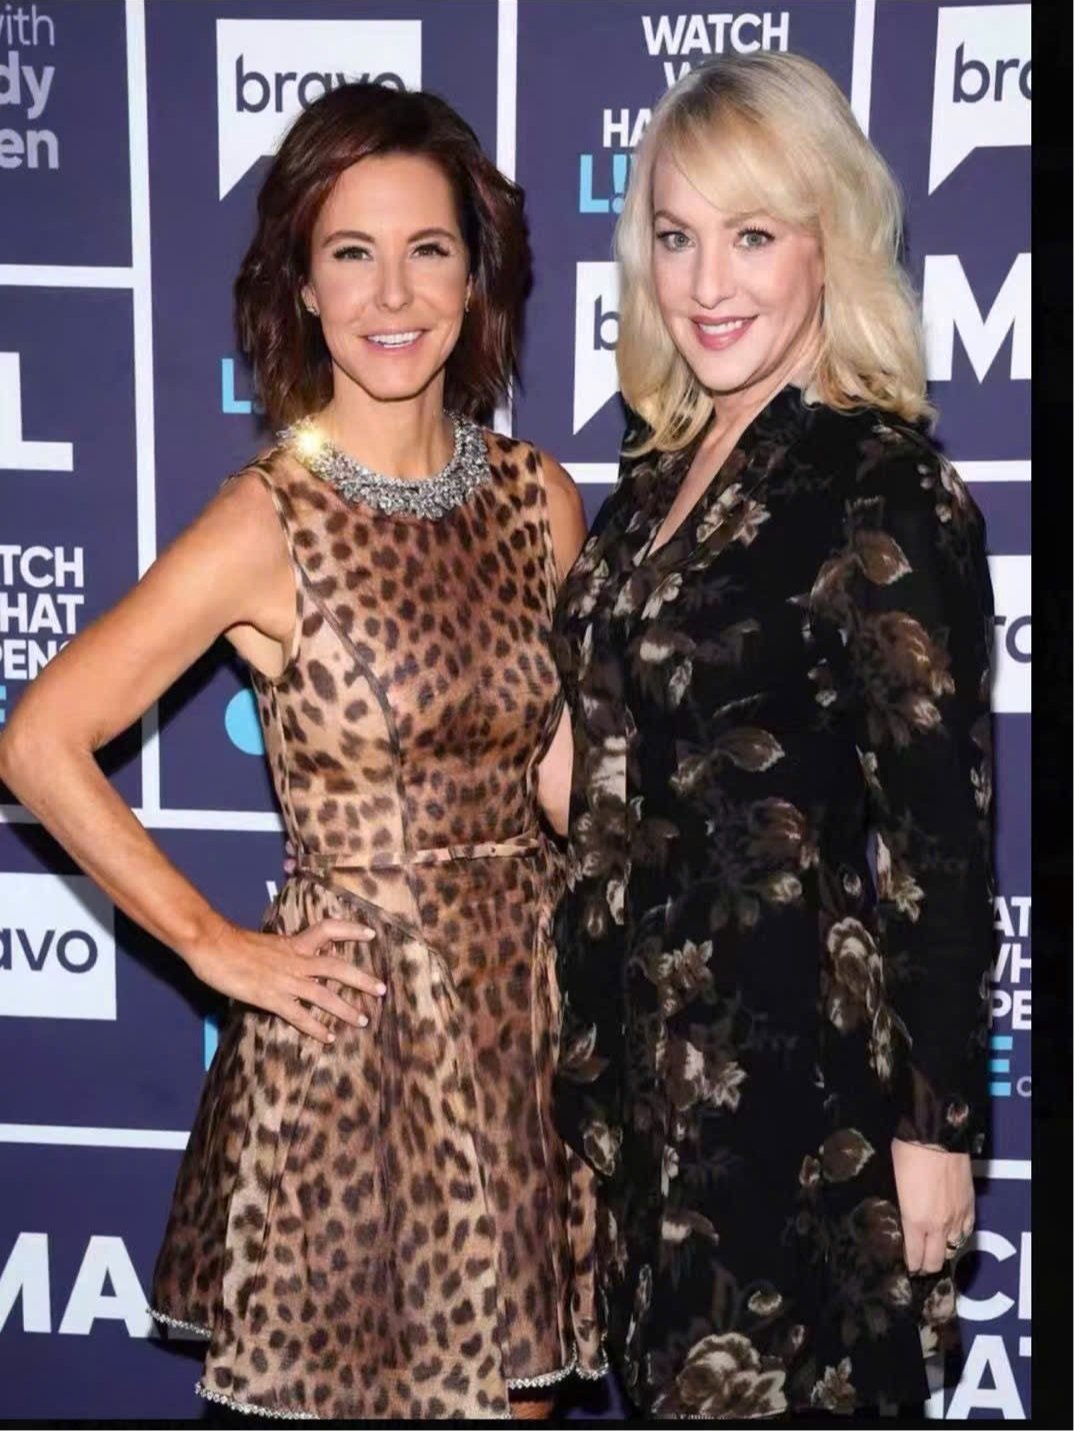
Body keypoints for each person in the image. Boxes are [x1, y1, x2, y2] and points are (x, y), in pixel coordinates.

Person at [0, 83, 605, 1420]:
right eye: (350, 251)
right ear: (303, 286)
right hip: (359, 1048)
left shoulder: (539, 498)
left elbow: (564, 775)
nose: (392, 292)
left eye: (427, 248)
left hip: (524, 1022)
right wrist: (213, 945)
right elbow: (40, 741)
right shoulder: (268, 517)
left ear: (475, 276)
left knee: (521, 1399)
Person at [549, 51, 995, 1419]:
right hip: (641, 1098)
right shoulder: (645, 489)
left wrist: (935, 1133)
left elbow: (939, 835)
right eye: (676, 237)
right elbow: (604, 778)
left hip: (802, 1109)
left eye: (751, 235)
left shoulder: (881, 485)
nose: (706, 282)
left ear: (828, 243)